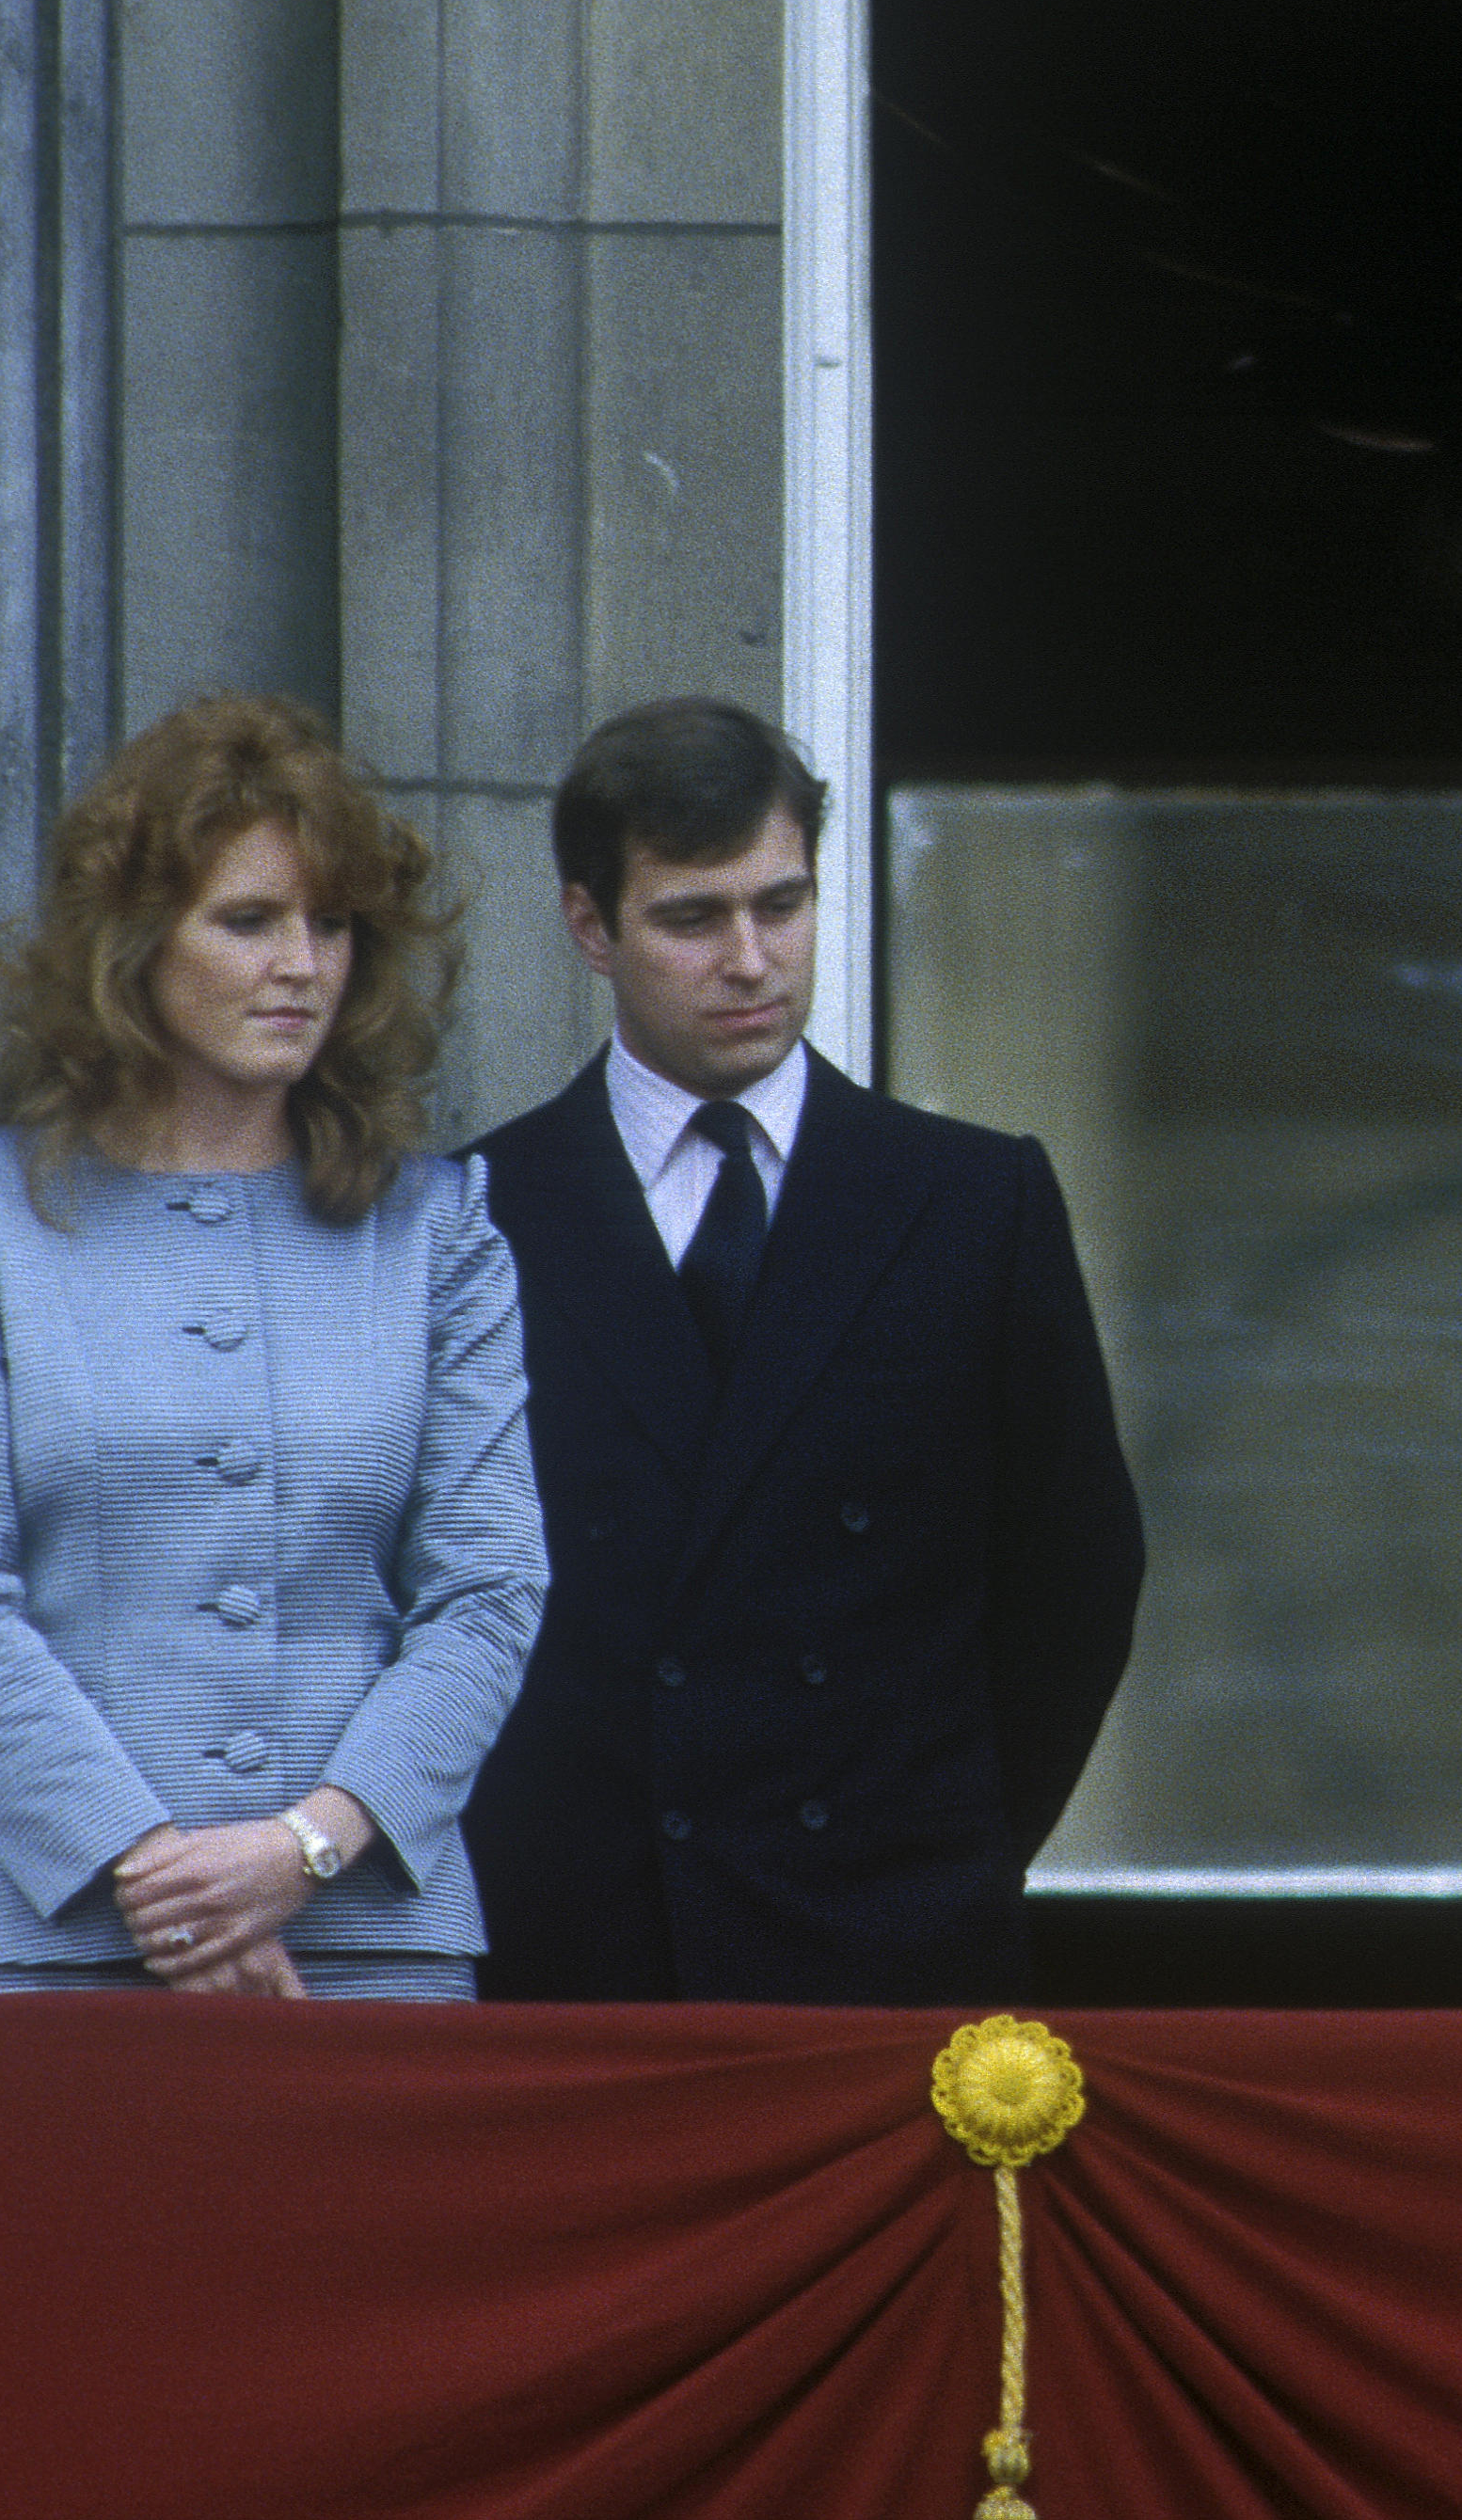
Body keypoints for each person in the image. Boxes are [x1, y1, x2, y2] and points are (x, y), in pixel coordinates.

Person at [0, 694, 546, 2000]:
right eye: (249, 920)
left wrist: (309, 1845)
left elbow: (489, 1589)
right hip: (45, 1940)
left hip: (367, 1947)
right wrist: (165, 1881)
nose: (304, 963)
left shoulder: (439, 1227)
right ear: (133, 945)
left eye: (332, 922)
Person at [462, 697, 1145, 2003]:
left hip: (884, 1949)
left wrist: (944, 1855)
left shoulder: (972, 1200)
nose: (751, 957)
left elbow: (1077, 1574)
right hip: (581, 1960)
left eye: (783, 903)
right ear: (589, 925)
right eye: (692, 916)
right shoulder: (477, 1212)